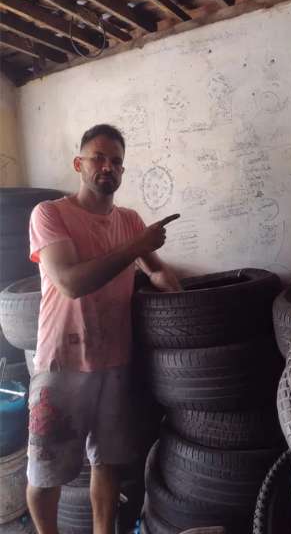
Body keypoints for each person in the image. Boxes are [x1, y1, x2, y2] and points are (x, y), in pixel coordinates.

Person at [26, 124, 183, 534]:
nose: (107, 166)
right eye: (98, 157)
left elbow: (157, 270)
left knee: (108, 463)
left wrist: (190, 309)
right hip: (63, 363)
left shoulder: (130, 219)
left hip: (115, 361)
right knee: (46, 474)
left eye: (115, 160)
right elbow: (70, 283)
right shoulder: (49, 214)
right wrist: (136, 245)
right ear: (79, 164)